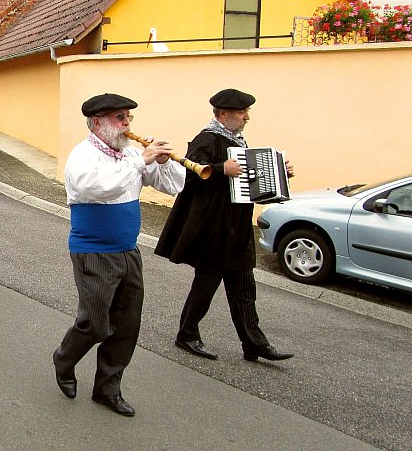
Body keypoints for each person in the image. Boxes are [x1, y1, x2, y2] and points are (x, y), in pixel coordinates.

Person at [52, 93, 185, 417]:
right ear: (97, 122)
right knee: (95, 324)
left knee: (126, 326)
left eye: (128, 118)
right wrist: (143, 160)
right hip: (93, 252)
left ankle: (107, 389)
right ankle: (64, 358)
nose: (126, 125)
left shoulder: (130, 154)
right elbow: (97, 188)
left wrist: (164, 162)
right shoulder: (83, 156)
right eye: (119, 118)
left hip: (128, 251)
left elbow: (173, 187)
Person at [155, 88, 295, 363]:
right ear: (223, 114)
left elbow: (249, 182)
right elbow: (189, 177)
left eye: (246, 112)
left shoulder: (237, 141)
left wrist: (280, 173)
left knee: (244, 286)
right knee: (206, 283)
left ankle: (254, 342)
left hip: (237, 226)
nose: (246, 117)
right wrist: (221, 169)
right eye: (242, 112)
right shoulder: (206, 139)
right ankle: (187, 334)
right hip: (213, 227)